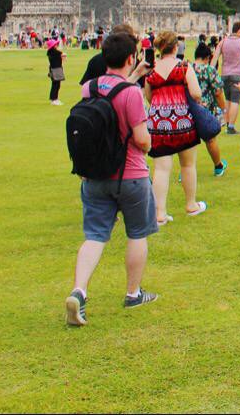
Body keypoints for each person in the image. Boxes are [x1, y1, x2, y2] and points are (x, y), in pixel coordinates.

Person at [64, 30, 158, 326]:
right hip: (130, 175)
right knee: (136, 234)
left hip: (93, 175)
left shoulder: (89, 89)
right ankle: (133, 293)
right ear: (132, 58)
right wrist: (148, 142)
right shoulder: (132, 93)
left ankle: (79, 291)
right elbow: (142, 140)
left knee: (94, 236)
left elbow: (109, 99)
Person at [144, 31, 206, 225]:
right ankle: (190, 204)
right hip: (182, 119)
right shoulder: (183, 67)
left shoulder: (151, 71)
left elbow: (148, 96)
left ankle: (159, 213)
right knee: (188, 165)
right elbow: (196, 93)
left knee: (161, 169)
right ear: (175, 47)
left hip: (158, 122)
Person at [191, 43, 227, 177]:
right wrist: (224, 109)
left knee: (189, 142)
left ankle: (186, 170)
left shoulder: (186, 68)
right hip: (205, 109)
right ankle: (218, 166)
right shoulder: (209, 70)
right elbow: (218, 92)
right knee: (210, 139)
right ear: (207, 57)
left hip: (188, 108)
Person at [216, 21, 240, 135]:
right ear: (239, 30)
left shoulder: (223, 42)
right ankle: (231, 127)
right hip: (238, 75)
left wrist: (212, 73)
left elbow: (215, 58)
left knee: (227, 99)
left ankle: (227, 124)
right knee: (235, 100)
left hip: (224, 74)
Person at [47, 37, 66, 105]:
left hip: (55, 69)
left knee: (56, 84)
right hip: (56, 69)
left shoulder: (51, 52)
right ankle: (54, 99)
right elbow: (61, 53)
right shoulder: (53, 52)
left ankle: (54, 98)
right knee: (56, 85)